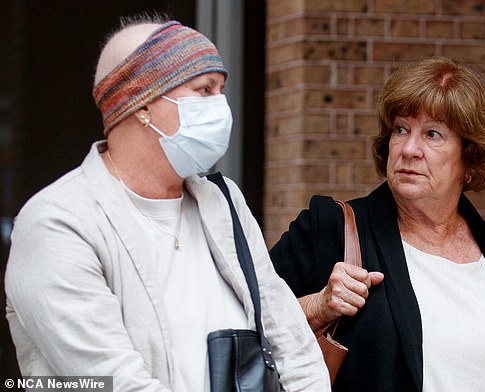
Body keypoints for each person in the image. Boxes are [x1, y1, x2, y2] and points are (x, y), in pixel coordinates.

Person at [4, 14, 329, 391]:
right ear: (141, 103)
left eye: (221, 89)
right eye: (204, 90)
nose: (221, 107)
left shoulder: (223, 202)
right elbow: (115, 382)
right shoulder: (58, 222)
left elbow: (293, 346)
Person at [270, 57, 485, 391]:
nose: (410, 149)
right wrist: (318, 306)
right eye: (401, 129)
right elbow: (243, 325)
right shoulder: (329, 230)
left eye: (433, 134)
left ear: (470, 158)